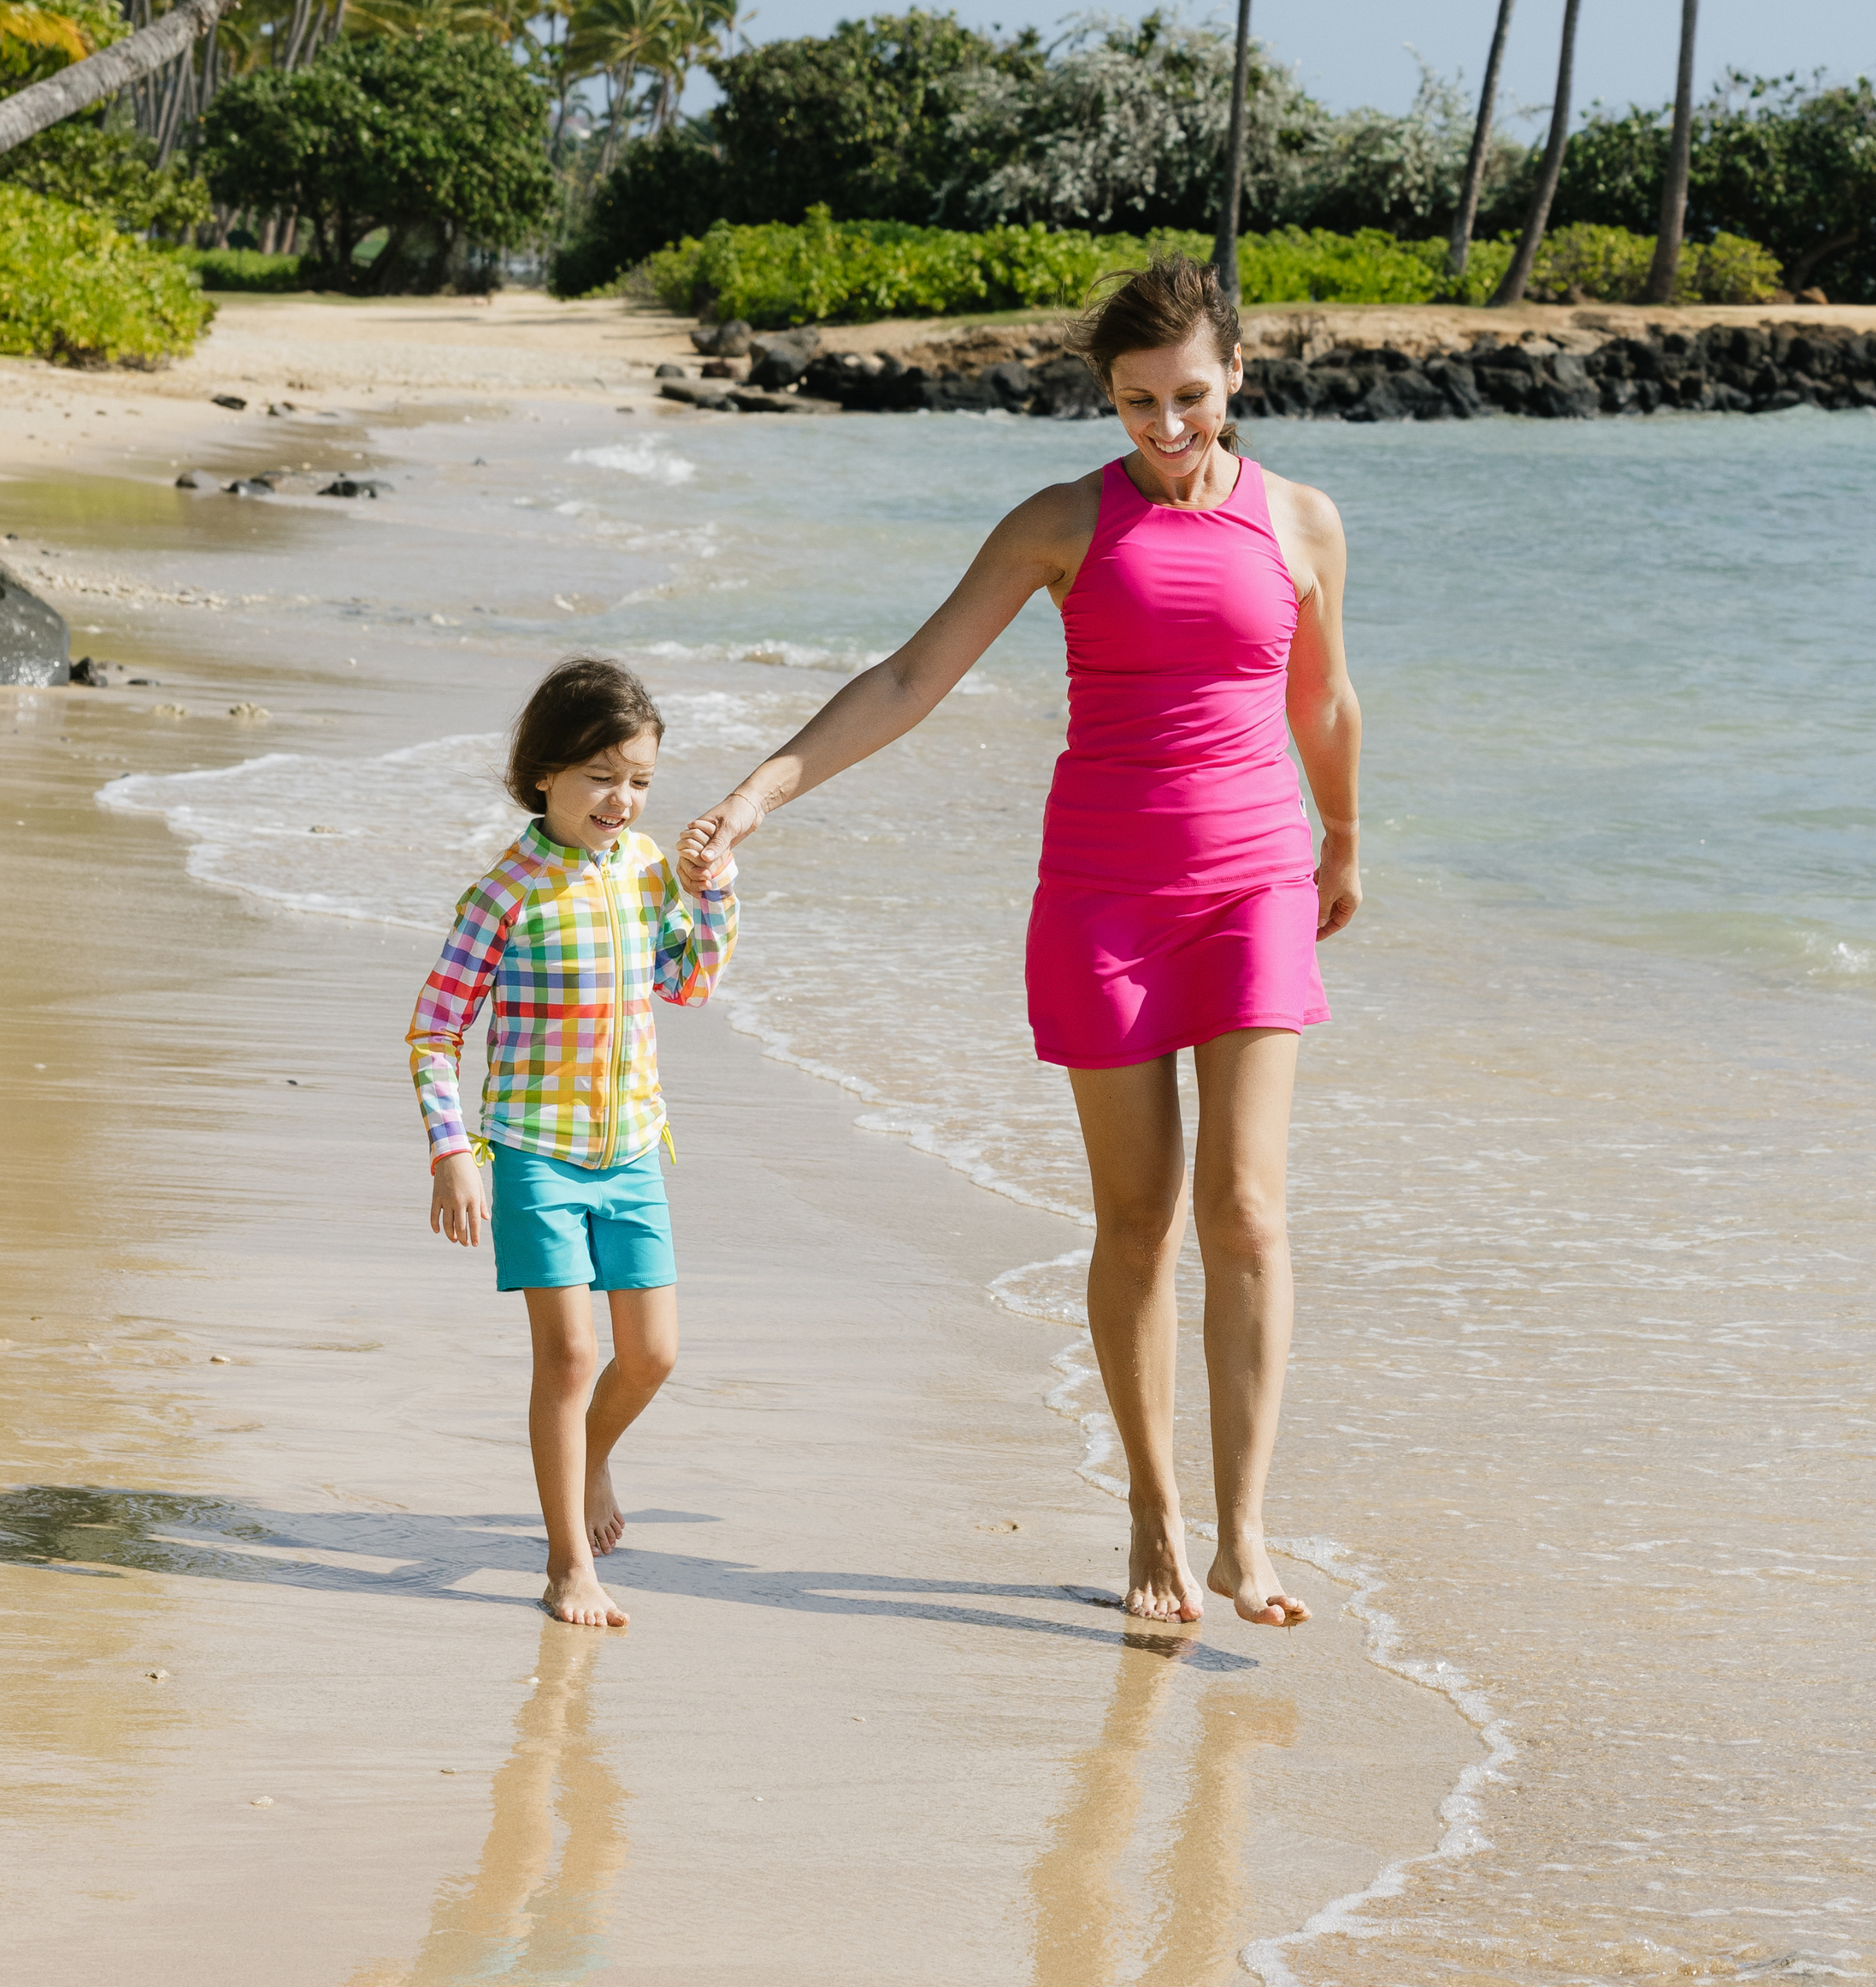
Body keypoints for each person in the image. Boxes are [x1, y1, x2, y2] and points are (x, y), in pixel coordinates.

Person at [680, 257, 1359, 1628]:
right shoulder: (1062, 524)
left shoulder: (1299, 522)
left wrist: (1346, 837)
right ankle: (1152, 1509)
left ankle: (1247, 1530)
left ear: (1236, 375)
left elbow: (1325, 701)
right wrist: (759, 792)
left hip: (1253, 884)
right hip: (1103, 895)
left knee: (1247, 1211)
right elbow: (912, 676)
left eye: (1189, 397)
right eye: (1136, 403)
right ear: (1105, 398)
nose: (1167, 429)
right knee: (1136, 1221)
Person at [409, 654, 738, 1629]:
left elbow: (689, 983)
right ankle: (566, 1568)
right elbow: (436, 1029)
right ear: (543, 772)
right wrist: (453, 1151)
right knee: (569, 1356)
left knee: (652, 1358)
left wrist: (710, 893)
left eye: (639, 781)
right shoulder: (503, 894)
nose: (622, 799)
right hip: (534, 1156)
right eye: (601, 775)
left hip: (635, 1152)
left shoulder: (644, 874)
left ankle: (590, 1457)